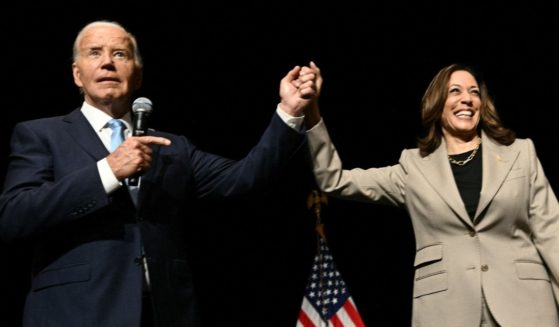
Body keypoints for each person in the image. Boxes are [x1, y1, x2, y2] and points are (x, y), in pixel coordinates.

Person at [0, 20, 319, 327]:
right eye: (94, 52)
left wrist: (289, 112)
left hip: (164, 313)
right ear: (76, 74)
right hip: (76, 312)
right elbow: (16, 216)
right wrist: (107, 171)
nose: (108, 63)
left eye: (120, 54)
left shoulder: (172, 147)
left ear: (137, 76)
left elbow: (244, 178)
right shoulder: (40, 135)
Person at [302, 62, 559, 326]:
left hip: (525, 307)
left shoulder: (520, 153)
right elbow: (333, 180)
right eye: (455, 91)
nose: (467, 99)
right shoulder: (413, 168)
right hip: (446, 311)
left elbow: (552, 232)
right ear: (437, 104)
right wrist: (312, 112)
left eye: (474, 92)